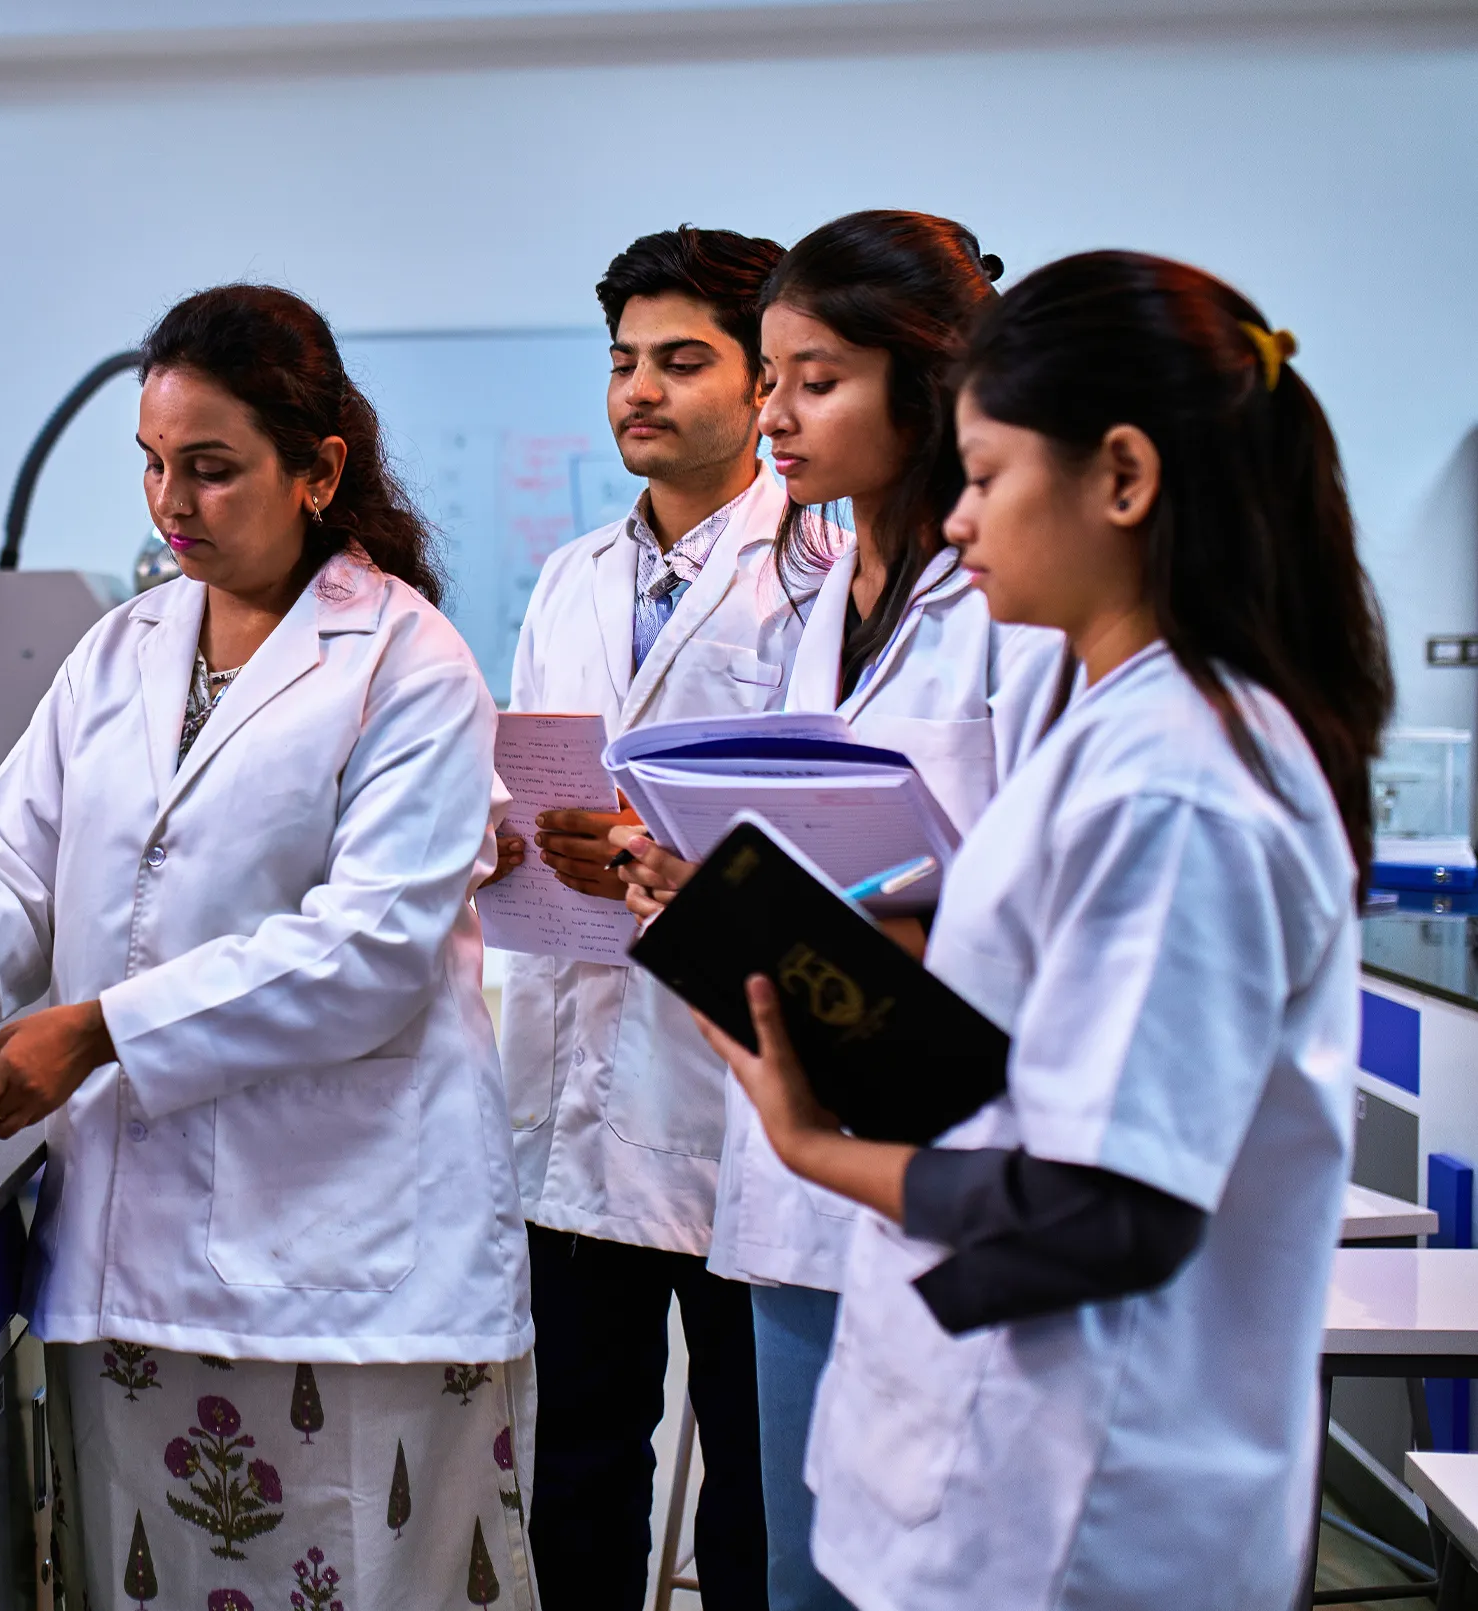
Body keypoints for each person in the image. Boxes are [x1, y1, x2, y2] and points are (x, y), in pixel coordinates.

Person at [0, 284, 537, 1610]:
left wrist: (101, 1028)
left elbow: (370, 949)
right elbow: (17, 869)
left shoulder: (407, 662)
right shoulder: (120, 650)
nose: (172, 502)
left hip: (349, 1259)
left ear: (318, 470)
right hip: (131, 1263)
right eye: (153, 465)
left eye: (211, 469)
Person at [702, 250, 1391, 1610]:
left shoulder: (1179, 779)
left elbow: (1102, 1213)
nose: (956, 523)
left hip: (1082, 1502)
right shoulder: (1135, 731)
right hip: (1009, 1456)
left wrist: (818, 1149)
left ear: (1121, 479)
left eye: (986, 476)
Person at [609, 210, 1067, 1611]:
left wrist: (867, 898)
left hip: (947, 1146)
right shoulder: (822, 601)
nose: (775, 412)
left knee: (920, 1565)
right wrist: (703, 881)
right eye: (772, 375)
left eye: (815, 380)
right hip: (807, 1164)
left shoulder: (1012, 608)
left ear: (923, 383)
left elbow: (1033, 879)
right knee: (801, 1568)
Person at [498, 224, 810, 1611]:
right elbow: (526, 777)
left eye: (682, 360)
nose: (639, 388)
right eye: (623, 360)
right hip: (568, 1076)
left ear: (763, 385)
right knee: (573, 1466)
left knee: (751, 1475)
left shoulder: (812, 577)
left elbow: (827, 833)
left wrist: (657, 851)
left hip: (736, 1087)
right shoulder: (567, 577)